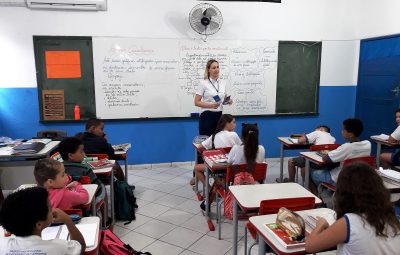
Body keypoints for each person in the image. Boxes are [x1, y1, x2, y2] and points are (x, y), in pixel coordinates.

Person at [305, 162, 400, 254]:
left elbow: (310, 246)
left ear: (344, 193)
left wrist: (320, 224)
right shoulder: (392, 219)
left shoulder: (350, 221)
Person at [0, 186, 86, 254]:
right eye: (50, 208)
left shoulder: (2, 245)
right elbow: (80, 246)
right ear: (39, 224)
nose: (53, 210)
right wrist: (68, 221)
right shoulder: (59, 247)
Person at [191, 59, 232, 185]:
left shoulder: (223, 83)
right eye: (214, 67)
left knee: (217, 145)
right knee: (203, 146)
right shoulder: (203, 83)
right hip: (207, 116)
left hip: (219, 116)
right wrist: (210, 105)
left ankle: (216, 175)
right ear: (208, 69)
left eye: (218, 67)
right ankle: (197, 174)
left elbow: (223, 98)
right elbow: (196, 102)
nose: (216, 70)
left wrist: (228, 101)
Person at [310, 118, 371, 195]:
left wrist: (333, 152)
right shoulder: (368, 144)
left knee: (313, 172)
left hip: (340, 179)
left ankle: (320, 195)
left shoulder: (347, 147)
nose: (342, 131)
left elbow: (326, 159)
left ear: (350, 134)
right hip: (358, 179)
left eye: (343, 129)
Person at [58, 137, 108, 220]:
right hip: (86, 200)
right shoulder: (85, 169)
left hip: (66, 203)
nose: (84, 154)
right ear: (70, 155)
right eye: (81, 152)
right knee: (103, 187)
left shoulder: (58, 169)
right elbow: (96, 186)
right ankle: (105, 219)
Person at [194, 114, 241, 185]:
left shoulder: (214, 136)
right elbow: (241, 148)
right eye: (234, 122)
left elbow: (200, 147)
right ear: (227, 123)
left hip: (218, 168)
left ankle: (209, 189)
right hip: (233, 167)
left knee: (196, 168)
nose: (235, 125)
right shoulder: (234, 135)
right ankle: (220, 182)